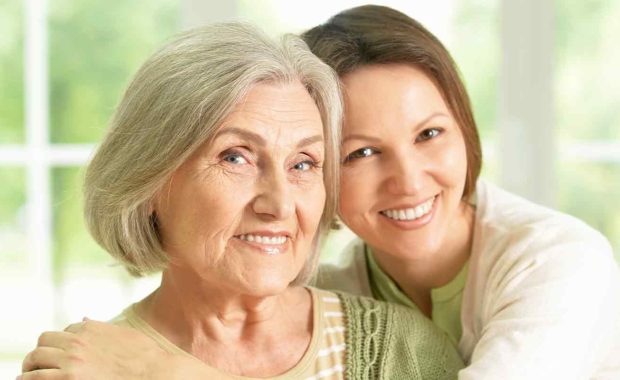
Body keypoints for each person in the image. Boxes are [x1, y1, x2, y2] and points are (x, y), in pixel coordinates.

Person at [19, 22, 463, 380]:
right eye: (236, 157)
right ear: (150, 180)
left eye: (304, 163)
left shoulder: (405, 353)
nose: (280, 203)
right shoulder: (81, 369)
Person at [303, 5, 620, 380]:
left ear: (464, 127)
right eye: (362, 153)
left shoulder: (559, 259)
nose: (409, 182)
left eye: (429, 134)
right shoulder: (319, 297)